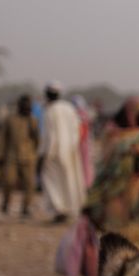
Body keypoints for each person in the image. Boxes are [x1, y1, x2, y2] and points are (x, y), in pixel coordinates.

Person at [63, 97, 139, 276]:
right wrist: (138, 153)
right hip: (115, 194)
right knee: (115, 238)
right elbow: (109, 164)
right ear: (130, 115)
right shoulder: (114, 134)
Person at [38, 82, 87, 223]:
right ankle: (69, 209)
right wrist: (73, 146)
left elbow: (48, 135)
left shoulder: (49, 110)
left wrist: (44, 153)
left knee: (51, 180)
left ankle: (59, 209)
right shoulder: (69, 108)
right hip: (70, 150)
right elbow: (77, 129)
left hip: (53, 151)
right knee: (69, 180)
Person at [0, 95, 39, 217]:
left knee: (30, 184)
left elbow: (37, 139)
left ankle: (25, 208)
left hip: (28, 157)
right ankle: (5, 203)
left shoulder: (32, 120)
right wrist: (0, 154)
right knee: (9, 181)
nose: (27, 109)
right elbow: (2, 138)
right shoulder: (10, 119)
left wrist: (35, 153)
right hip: (12, 156)